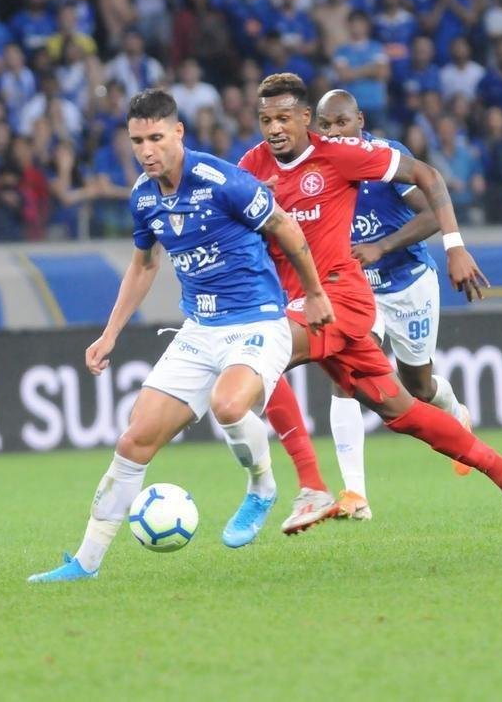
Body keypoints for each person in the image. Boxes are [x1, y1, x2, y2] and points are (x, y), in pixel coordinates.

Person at [29, 89, 333, 583]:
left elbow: (286, 227)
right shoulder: (143, 197)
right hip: (200, 329)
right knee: (133, 440)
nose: (147, 150)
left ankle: (261, 487)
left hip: (256, 321)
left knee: (229, 406)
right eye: (137, 141)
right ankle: (85, 564)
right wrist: (110, 335)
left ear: (178, 133)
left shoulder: (221, 181)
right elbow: (145, 264)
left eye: (155, 138)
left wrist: (315, 295)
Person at [239, 73, 502, 543]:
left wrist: (455, 245)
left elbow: (429, 176)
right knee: (407, 413)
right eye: (265, 119)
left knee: (257, 359)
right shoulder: (252, 166)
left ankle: (311, 487)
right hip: (316, 301)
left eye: (283, 118)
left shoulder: (344, 154)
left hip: (343, 297)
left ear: (304, 121)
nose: (274, 128)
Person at [303, 88, 475, 521]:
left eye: (341, 122)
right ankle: (355, 494)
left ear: (360, 120)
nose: (333, 131)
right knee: (346, 376)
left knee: (417, 387)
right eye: (325, 125)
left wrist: (383, 246)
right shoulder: (317, 168)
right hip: (359, 290)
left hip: (408, 284)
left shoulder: (385, 160)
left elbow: (433, 213)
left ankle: (456, 413)